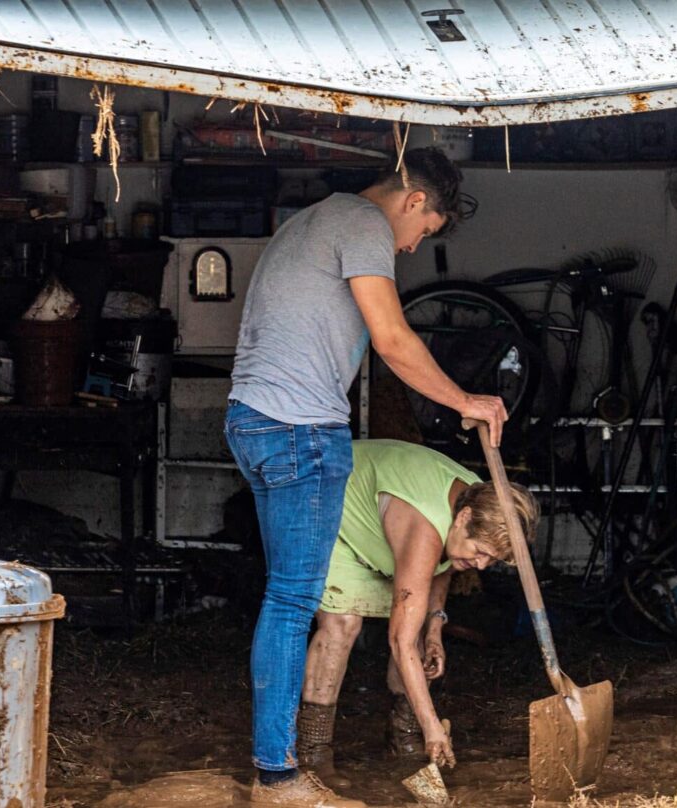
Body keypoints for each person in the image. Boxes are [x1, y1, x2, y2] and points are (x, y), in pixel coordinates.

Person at [224, 148, 509, 808]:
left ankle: (284, 763)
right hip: (301, 427)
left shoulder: (312, 219)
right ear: (414, 202)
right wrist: (466, 401)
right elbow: (392, 339)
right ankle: (277, 774)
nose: (410, 248)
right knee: (293, 602)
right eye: (425, 232)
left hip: (254, 420)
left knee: (288, 599)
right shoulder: (364, 224)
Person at [295, 440, 539, 790]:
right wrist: (433, 724)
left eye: (493, 561)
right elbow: (400, 639)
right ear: (463, 519)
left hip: (386, 530)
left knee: (418, 627)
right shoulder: (426, 522)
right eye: (481, 553)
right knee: (342, 625)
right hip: (334, 508)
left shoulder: (476, 500)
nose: (482, 566)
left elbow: (442, 568)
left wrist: (436, 627)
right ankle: (313, 753)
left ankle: (404, 736)